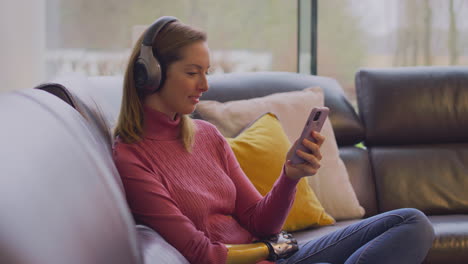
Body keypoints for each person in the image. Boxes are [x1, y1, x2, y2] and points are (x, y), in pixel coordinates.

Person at [112, 16, 435, 264]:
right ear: (150, 74)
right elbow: (202, 254)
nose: (205, 85)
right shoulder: (131, 157)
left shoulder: (207, 136)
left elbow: (260, 220)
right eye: (192, 72)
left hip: (276, 256)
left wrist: (289, 177)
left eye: (207, 72)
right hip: (262, 257)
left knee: (410, 223)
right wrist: (269, 248)